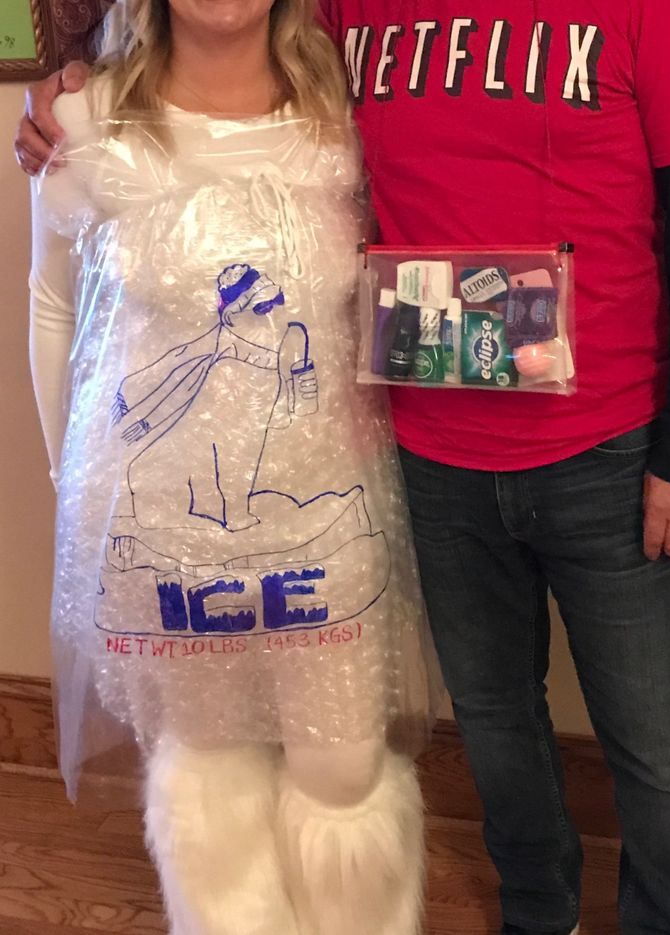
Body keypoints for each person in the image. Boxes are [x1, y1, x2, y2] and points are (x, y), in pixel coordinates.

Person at [15, 1, 670, 934]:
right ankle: (536, 911)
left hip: (606, 446)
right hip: (430, 455)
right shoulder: (357, 17)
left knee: (659, 746)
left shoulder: (652, 10)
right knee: (496, 725)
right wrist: (72, 76)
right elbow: (206, 43)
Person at [20, 1, 442, 934]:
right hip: (167, 536)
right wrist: (73, 486)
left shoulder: (345, 119)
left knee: (343, 769)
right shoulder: (87, 128)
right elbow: (55, 310)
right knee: (212, 762)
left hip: (328, 517)